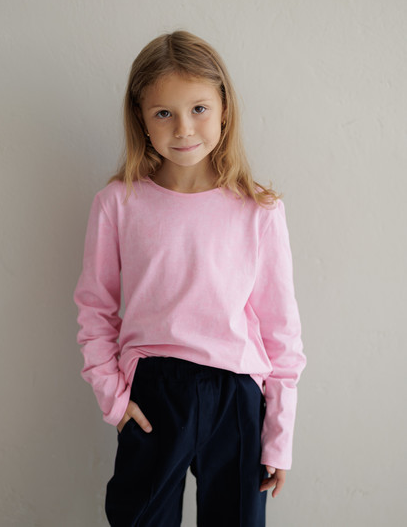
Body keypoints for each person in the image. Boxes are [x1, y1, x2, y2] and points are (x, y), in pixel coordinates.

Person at [73, 30, 306, 527]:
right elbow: (94, 309)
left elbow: (281, 330)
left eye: (199, 108)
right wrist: (114, 399)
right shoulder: (118, 204)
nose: (183, 128)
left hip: (236, 396)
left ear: (224, 109)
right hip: (153, 393)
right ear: (141, 117)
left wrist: (278, 435)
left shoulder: (259, 211)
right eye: (164, 113)